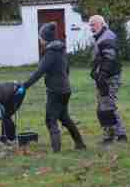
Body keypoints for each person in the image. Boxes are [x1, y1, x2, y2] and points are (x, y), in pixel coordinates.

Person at [19, 22, 86, 153]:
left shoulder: (50, 53)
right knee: (64, 118)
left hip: (55, 91)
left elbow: (39, 72)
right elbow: (67, 69)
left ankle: (56, 151)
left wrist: (24, 86)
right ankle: (80, 144)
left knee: (50, 120)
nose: (39, 39)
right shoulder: (61, 50)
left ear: (45, 38)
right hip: (65, 89)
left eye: (40, 37)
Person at [89, 15, 127, 144]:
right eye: (90, 25)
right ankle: (108, 136)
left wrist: (103, 74)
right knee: (101, 107)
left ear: (101, 24)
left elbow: (110, 58)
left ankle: (121, 135)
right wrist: (95, 73)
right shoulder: (101, 36)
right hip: (102, 78)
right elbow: (101, 58)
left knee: (108, 106)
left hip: (110, 78)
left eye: (93, 24)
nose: (91, 28)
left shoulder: (107, 36)